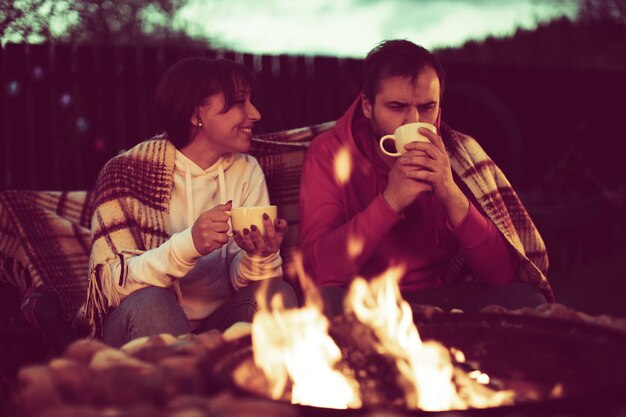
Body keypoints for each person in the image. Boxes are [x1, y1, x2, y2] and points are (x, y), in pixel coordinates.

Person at [299, 39, 553, 316]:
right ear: (367, 106)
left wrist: (449, 192)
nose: (413, 121)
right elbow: (317, 273)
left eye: (426, 107)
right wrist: (390, 202)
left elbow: (503, 273)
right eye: (397, 107)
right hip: (365, 303)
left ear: (440, 108)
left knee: (526, 299)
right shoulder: (329, 153)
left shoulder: (459, 154)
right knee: (321, 302)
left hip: (443, 298)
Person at [85, 57, 297, 346]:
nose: (256, 113)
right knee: (154, 303)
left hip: (220, 322)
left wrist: (258, 256)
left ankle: (257, 386)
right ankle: (180, 387)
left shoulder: (246, 170)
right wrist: (189, 245)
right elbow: (111, 285)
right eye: (239, 102)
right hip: (141, 320)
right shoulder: (127, 172)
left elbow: (246, 283)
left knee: (275, 293)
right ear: (197, 112)